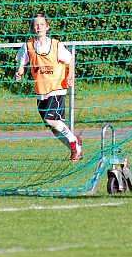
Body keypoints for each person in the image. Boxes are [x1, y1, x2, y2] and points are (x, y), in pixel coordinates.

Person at [15, 12, 82, 161]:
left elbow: (70, 59)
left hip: (56, 87)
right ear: (33, 29)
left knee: (50, 120)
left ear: (47, 27)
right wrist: (19, 71)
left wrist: (70, 75)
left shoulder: (56, 45)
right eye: (36, 25)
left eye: (42, 25)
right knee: (54, 127)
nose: (39, 28)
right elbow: (22, 62)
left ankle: (73, 139)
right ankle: (76, 149)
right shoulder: (28, 46)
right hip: (41, 91)